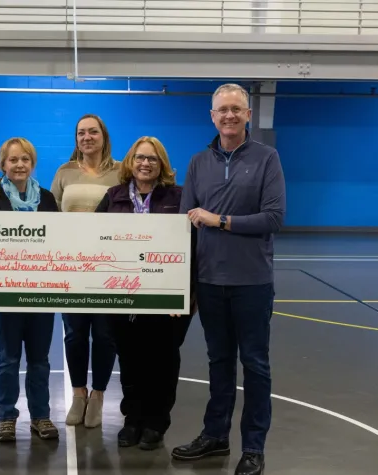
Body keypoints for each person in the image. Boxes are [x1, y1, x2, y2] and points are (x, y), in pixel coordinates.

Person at [172, 83, 286, 475]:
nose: (229, 116)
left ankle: (253, 447)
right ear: (212, 116)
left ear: (248, 115)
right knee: (218, 362)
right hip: (209, 281)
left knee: (255, 364)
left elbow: (273, 218)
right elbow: (184, 226)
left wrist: (219, 220)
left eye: (237, 109)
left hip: (252, 282)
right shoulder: (198, 162)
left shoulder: (267, 158)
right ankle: (215, 436)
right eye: (222, 110)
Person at [94, 136, 195, 450]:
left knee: (162, 361)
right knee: (130, 360)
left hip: (167, 299)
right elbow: (91, 240)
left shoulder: (179, 198)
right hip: (120, 297)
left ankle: (155, 422)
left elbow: (194, 247)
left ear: (162, 163)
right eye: (139, 157)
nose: (145, 163)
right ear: (130, 162)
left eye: (152, 158)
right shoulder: (113, 197)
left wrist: (188, 294)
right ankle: (132, 419)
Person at [50, 113, 121, 428]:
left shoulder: (122, 172)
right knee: (75, 334)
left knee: (106, 335)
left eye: (93, 132)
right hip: (72, 268)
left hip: (111, 267)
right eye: (81, 133)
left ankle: (99, 395)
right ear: (76, 138)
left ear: (103, 136)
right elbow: (49, 215)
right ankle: (79, 394)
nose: (87, 137)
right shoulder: (64, 172)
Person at [0, 137, 60, 442]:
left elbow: (59, 241)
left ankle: (40, 415)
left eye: (25, 160)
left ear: (32, 163)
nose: (19, 165)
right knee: (7, 357)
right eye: (13, 160)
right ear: (3, 164)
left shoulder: (46, 198)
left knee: (40, 358)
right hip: (4, 292)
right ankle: (6, 416)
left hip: (41, 291)